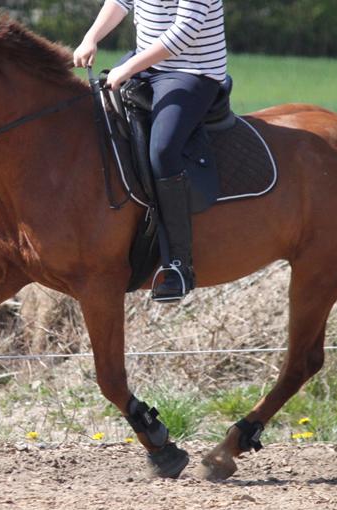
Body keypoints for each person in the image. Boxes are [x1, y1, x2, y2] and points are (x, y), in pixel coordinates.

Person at [74, 0, 227, 302]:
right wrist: (90, 37)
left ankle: (179, 264)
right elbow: (120, 2)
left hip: (192, 72)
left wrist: (129, 67)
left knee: (162, 150)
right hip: (146, 64)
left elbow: (184, 32)